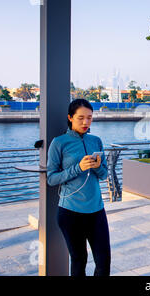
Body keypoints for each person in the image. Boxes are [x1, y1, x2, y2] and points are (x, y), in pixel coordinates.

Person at [47, 98, 111, 276]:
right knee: (79, 260)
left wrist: (97, 166)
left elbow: (104, 175)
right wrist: (78, 168)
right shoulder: (59, 143)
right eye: (81, 118)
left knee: (104, 260)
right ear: (70, 117)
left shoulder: (96, 141)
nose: (86, 122)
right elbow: (51, 178)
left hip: (96, 210)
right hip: (70, 212)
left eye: (90, 118)